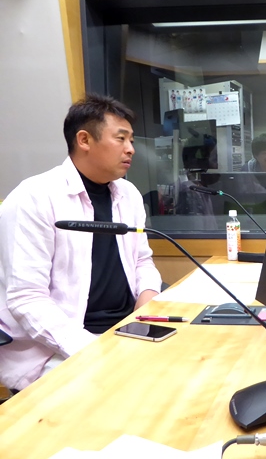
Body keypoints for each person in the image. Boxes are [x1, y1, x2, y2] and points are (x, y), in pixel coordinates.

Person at [0, 93, 162, 391]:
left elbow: (142, 260)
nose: (131, 149)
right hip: (55, 347)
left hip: (124, 329)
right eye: (121, 139)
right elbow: (26, 299)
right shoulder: (34, 197)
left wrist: (148, 302)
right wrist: (96, 351)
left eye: (131, 140)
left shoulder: (129, 195)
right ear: (84, 140)